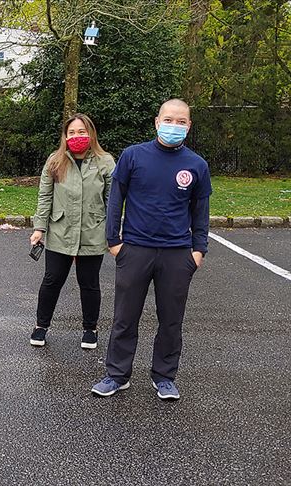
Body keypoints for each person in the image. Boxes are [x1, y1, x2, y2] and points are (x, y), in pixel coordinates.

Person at [92, 98, 211, 400]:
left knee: (171, 320)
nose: (174, 126)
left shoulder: (197, 165)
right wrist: (114, 241)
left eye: (181, 121)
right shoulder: (133, 156)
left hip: (177, 253)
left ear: (189, 126)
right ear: (157, 122)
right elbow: (116, 199)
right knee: (124, 317)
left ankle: (164, 377)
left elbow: (200, 210)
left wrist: (199, 251)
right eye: (168, 120)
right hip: (135, 249)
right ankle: (117, 375)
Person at [30, 114, 115, 349]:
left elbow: (113, 201)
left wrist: (114, 233)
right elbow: (45, 197)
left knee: (89, 283)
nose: (76, 136)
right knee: (52, 280)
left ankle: (90, 329)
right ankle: (41, 326)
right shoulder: (55, 161)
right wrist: (39, 228)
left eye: (81, 131)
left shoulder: (105, 162)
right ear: (65, 136)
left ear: (91, 133)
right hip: (60, 231)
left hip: (92, 231)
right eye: (72, 133)